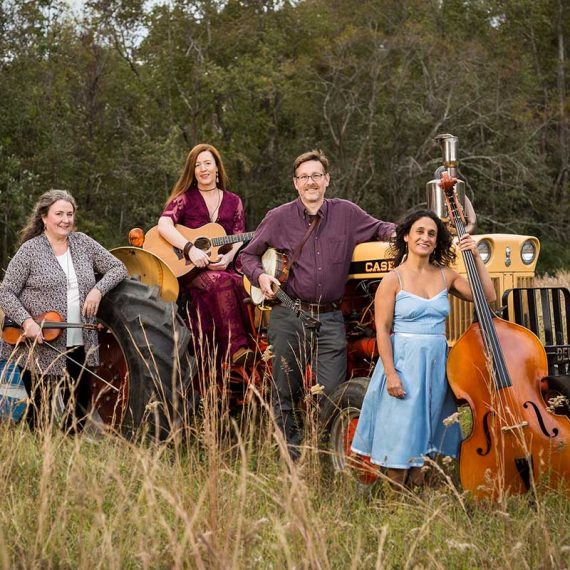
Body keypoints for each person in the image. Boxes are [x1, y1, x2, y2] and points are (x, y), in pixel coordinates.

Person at [240, 149, 396, 459]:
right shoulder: (278, 217)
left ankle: (326, 457)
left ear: (326, 180)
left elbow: (381, 228)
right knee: (287, 391)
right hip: (289, 313)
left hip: (331, 317)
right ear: (295, 183)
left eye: (316, 176)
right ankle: (293, 459)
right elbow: (247, 255)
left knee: (332, 394)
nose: (310, 182)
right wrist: (259, 277)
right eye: (304, 177)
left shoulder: (347, 213)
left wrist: (398, 236)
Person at [351, 209, 496, 488]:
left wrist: (475, 256)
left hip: (437, 366)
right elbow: (382, 330)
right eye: (419, 231)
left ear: (437, 240)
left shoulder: (446, 275)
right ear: (406, 236)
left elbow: (486, 296)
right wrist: (391, 374)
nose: (425, 237)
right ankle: (394, 507)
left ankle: (424, 503)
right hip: (405, 365)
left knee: (431, 439)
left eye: (431, 233)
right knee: (402, 438)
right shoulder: (393, 279)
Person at [0, 189, 128, 429]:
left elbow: (118, 268)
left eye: (69, 214)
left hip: (80, 340)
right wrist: (27, 322)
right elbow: (5, 292)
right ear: (44, 218)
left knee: (77, 415)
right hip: (41, 343)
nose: (65, 220)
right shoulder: (30, 251)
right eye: (59, 214)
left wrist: (98, 290)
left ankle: (72, 460)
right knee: (40, 417)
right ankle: (39, 459)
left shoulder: (83, 243)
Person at [157, 143, 252, 365]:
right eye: (197, 165)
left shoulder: (233, 201)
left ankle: (252, 348)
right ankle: (236, 349)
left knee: (242, 284)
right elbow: (163, 224)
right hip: (191, 268)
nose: (203, 169)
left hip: (222, 264)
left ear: (217, 167)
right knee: (220, 282)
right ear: (193, 171)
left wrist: (228, 258)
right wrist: (190, 248)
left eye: (208, 163)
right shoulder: (185, 198)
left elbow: (238, 236)